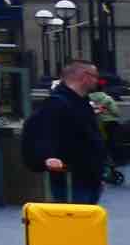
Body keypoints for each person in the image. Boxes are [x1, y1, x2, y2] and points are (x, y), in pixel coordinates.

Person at [25, 61, 108, 204]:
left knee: (83, 223)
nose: (97, 81)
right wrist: (47, 156)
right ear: (84, 77)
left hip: (86, 178)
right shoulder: (57, 103)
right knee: (72, 222)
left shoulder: (80, 102)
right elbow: (43, 133)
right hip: (70, 178)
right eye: (95, 76)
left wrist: (97, 176)